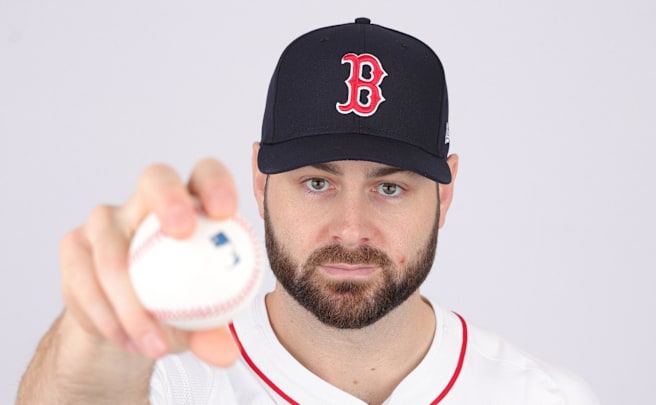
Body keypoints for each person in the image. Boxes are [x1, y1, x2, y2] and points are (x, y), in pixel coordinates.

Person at [18, 18, 600, 404]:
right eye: (317, 182)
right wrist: (91, 344)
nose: (351, 228)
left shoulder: (544, 396)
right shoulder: (161, 382)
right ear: (259, 179)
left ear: (444, 195)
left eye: (390, 188)